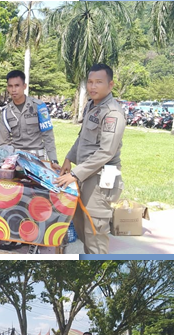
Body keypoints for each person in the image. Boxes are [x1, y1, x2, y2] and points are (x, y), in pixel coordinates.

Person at [54, 64, 125, 255]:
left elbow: (106, 152)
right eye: (90, 82)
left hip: (100, 181)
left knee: (94, 234)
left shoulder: (112, 113)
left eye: (98, 82)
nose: (93, 86)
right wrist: (69, 158)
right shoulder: (92, 106)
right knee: (81, 227)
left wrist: (75, 174)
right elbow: (82, 137)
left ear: (110, 85)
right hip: (83, 177)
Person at [0, 70, 57, 162]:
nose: (13, 90)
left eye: (17, 85)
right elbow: (4, 142)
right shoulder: (6, 112)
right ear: (7, 88)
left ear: (24, 86)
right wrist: (7, 163)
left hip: (37, 159)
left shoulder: (39, 107)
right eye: (10, 86)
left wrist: (53, 159)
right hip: (16, 159)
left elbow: (48, 136)